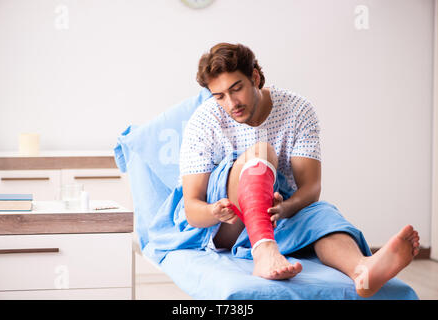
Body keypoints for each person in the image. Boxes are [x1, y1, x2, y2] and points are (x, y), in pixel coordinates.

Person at [179, 42, 420, 298]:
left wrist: (286, 208)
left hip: (279, 214)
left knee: (321, 214)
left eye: (236, 89)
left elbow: (310, 188)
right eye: (219, 96)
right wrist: (214, 211)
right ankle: (264, 251)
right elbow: (192, 210)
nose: (231, 103)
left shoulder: (298, 110)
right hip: (228, 223)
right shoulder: (204, 120)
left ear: (255, 77)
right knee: (261, 151)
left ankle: (362, 269)